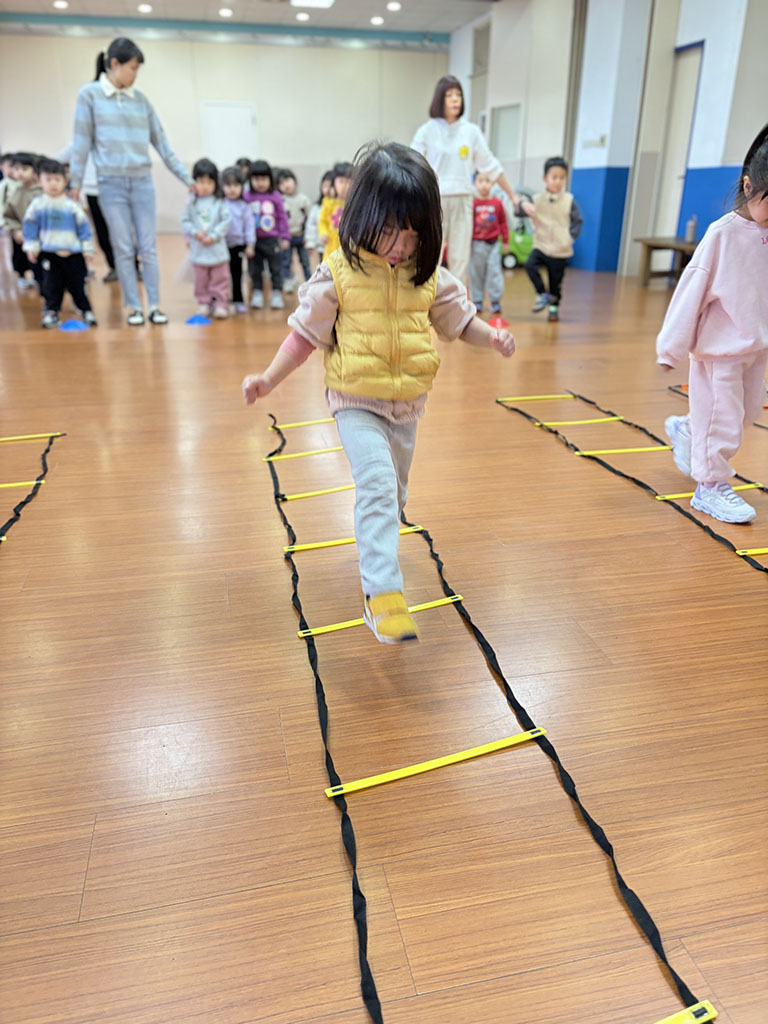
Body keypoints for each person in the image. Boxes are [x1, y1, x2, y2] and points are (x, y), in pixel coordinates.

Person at [242, 142, 515, 644]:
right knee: (377, 483)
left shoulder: (426, 276)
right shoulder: (338, 274)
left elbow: (460, 322)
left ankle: (377, 552)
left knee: (394, 495)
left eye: (412, 232)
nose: (401, 245)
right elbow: (304, 336)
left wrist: (491, 338)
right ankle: (382, 594)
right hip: (355, 400)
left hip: (407, 405)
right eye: (390, 230)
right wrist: (268, 378)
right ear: (363, 216)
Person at [657, 123, 768, 526]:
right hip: (719, 351)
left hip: (755, 348)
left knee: (745, 413)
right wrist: (670, 348)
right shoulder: (721, 236)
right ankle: (709, 487)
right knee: (723, 421)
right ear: (749, 186)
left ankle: (690, 427)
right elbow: (690, 292)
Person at [68, 37, 194, 326]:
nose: (135, 74)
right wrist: (75, 183)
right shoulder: (90, 95)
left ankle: (155, 306)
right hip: (110, 184)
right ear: (114, 64)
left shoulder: (141, 100)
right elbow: (81, 143)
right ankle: (134, 307)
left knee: (148, 248)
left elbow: (163, 145)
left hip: (141, 183)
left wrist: (187, 178)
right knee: (123, 248)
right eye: (132, 68)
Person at [411, 75, 518, 283]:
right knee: (431, 253)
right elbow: (411, 164)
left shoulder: (471, 132)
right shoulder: (427, 131)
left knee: (460, 258)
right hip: (436, 201)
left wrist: (513, 197)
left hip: (463, 200)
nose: (455, 99)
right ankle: (428, 296)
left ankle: (455, 299)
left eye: (458, 95)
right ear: (439, 99)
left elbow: (491, 165)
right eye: (449, 95)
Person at [22, 158, 96, 329]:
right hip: (49, 253)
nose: (53, 184)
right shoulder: (37, 205)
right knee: (51, 285)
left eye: (57, 179)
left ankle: (86, 310)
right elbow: (30, 226)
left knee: (77, 284)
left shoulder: (72, 206)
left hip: (73, 254)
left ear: (65, 181)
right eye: (48, 179)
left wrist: (87, 248)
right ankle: (52, 312)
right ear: (39, 181)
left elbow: (84, 228)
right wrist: (32, 247)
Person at [522, 157, 582, 323]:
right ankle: (542, 293)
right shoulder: (536, 199)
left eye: (561, 177)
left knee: (556, 281)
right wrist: (521, 205)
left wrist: (570, 237)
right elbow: (520, 211)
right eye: (554, 177)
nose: (557, 181)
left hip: (560, 250)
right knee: (530, 265)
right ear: (545, 178)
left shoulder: (569, 200)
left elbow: (578, 221)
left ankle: (553, 308)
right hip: (541, 245)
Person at [181, 158, 231, 319]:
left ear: (216, 183)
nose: (205, 186)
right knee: (200, 279)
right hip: (199, 249)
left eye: (209, 182)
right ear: (194, 182)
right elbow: (185, 220)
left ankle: (221, 303)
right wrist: (195, 232)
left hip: (217, 250)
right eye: (201, 182)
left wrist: (214, 235)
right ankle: (203, 302)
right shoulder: (192, 202)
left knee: (220, 278)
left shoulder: (219, 202)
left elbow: (226, 221)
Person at [244, 159, 290, 310]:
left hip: (272, 239)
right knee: (255, 269)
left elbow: (282, 217)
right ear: (250, 180)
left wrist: (285, 236)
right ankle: (257, 292)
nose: (260, 183)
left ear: (270, 179)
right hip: (254, 241)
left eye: (264, 179)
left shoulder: (275, 196)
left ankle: (277, 292)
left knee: (275, 268)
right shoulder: (247, 196)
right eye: (256, 179)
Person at [469, 171, 509, 315]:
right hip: (476, 244)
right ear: (474, 184)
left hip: (493, 245)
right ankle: (477, 301)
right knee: (475, 273)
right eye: (480, 181)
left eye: (487, 181)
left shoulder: (497, 203)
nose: (484, 185)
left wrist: (506, 241)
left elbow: (503, 223)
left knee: (494, 272)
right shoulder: (473, 203)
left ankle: (495, 301)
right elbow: (468, 224)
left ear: (493, 183)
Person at [3, 152, 43, 291]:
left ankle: (42, 280)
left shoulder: (41, 191)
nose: (20, 173)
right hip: (22, 233)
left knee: (41, 259)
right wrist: (16, 230)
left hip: (41, 234)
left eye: (24, 169)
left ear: (34, 171)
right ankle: (22, 276)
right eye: (16, 169)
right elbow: (9, 216)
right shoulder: (16, 192)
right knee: (21, 256)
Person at [221, 166, 255, 314]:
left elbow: (249, 227)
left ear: (242, 186)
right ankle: (221, 300)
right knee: (221, 275)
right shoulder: (220, 204)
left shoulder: (244, 207)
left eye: (236, 185)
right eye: (228, 185)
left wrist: (250, 244)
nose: (232, 189)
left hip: (237, 246)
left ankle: (238, 300)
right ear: (222, 186)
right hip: (220, 245)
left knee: (237, 274)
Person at [276, 168, 311, 292]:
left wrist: (308, 237)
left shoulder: (303, 199)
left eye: (287, 181)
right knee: (286, 261)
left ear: (294, 181)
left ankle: (309, 281)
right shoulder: (280, 200)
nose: (285, 185)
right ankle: (287, 281)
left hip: (301, 235)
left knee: (305, 261)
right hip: (287, 237)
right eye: (281, 183)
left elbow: (310, 219)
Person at [317, 161, 353, 260]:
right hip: (331, 246)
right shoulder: (328, 203)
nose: (344, 186)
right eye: (341, 181)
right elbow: (323, 221)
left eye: (348, 182)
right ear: (334, 183)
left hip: (348, 248)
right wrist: (323, 233)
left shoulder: (355, 204)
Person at [304, 170, 334, 264]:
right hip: (323, 246)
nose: (328, 189)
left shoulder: (341, 206)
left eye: (331, 186)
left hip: (337, 247)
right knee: (325, 266)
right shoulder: (317, 207)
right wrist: (310, 242)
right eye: (325, 186)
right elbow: (311, 225)